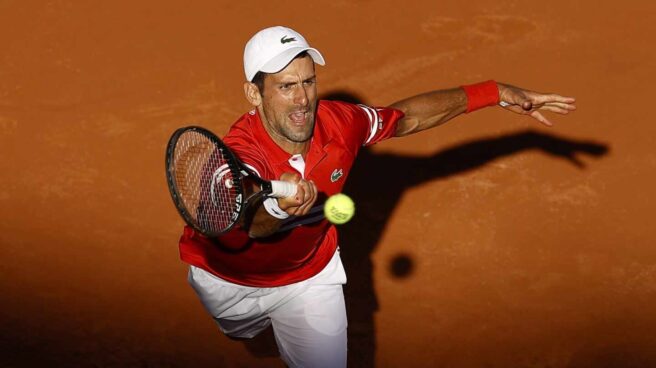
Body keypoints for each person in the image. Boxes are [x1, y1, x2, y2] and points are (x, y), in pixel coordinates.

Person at [178, 25, 576, 367]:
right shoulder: (233, 159)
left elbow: (408, 118)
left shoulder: (341, 122)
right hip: (231, 282)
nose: (302, 100)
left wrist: (495, 91)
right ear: (254, 94)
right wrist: (278, 209)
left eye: (308, 81)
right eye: (286, 86)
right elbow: (252, 225)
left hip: (309, 275)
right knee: (249, 338)